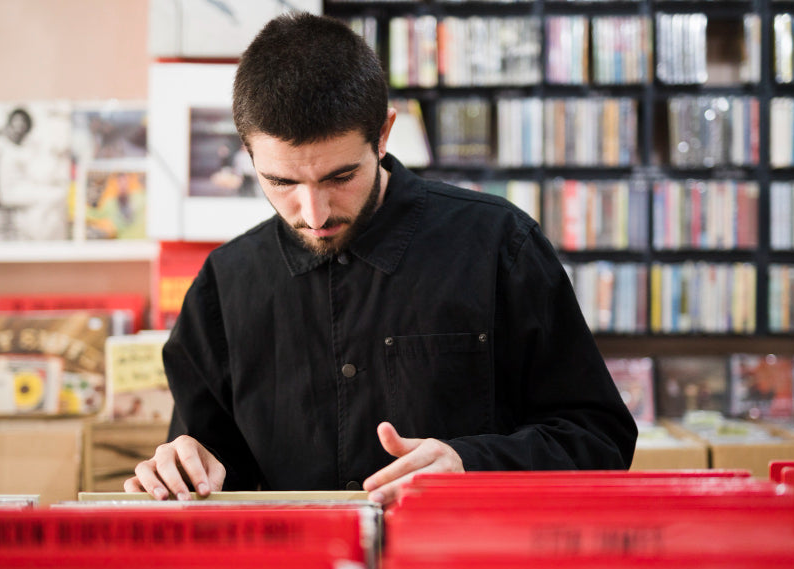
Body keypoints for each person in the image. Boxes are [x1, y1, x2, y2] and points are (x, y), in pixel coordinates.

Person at [125, 12, 637, 505]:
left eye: (340, 177)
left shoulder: (499, 243)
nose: (315, 214)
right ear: (248, 153)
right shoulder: (224, 284)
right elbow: (212, 469)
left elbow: (600, 439)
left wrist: (473, 463)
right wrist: (183, 466)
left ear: (384, 133)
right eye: (281, 182)